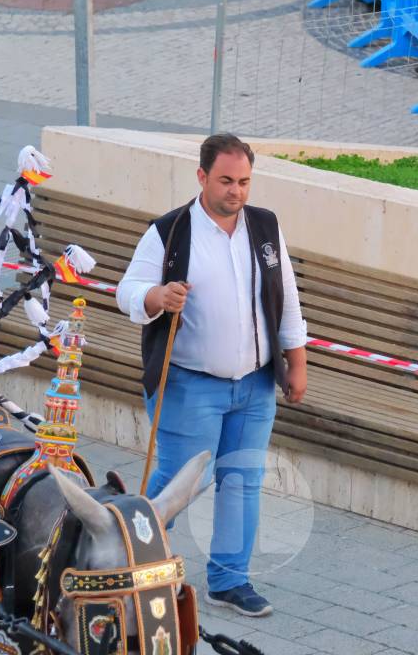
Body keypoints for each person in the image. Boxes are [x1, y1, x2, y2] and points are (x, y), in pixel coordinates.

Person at [116, 134, 308, 618]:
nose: (236, 191)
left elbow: (287, 299)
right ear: (202, 177)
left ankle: (229, 580)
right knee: (185, 480)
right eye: (226, 180)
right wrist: (157, 297)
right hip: (190, 383)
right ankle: (128, 562)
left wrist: (296, 363)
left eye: (244, 181)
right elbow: (128, 291)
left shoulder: (265, 228)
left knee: (242, 478)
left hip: (256, 383)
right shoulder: (170, 231)